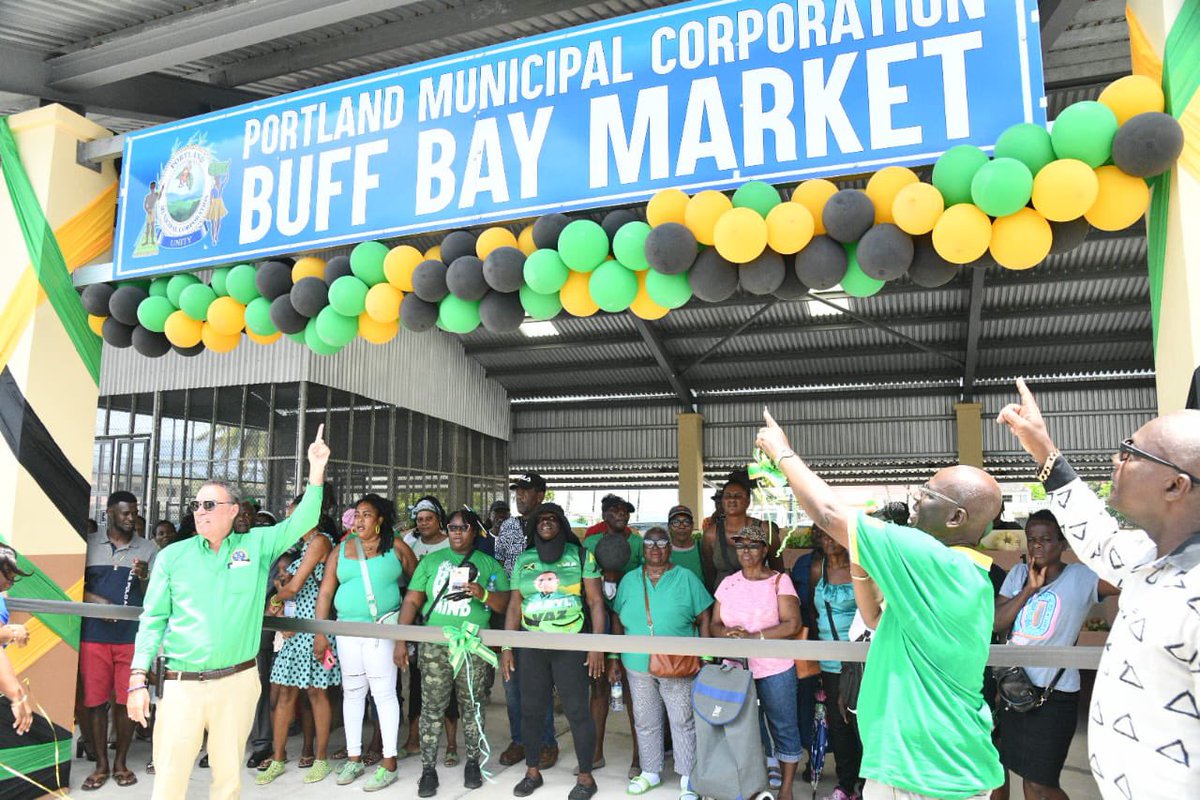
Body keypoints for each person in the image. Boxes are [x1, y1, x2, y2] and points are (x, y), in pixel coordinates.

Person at [757, 410, 1004, 800]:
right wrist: (862, 555)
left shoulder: (936, 562)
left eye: (928, 493)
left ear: (957, 517)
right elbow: (873, 616)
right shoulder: (961, 574)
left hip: (922, 774)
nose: (916, 500)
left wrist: (783, 453)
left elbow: (827, 513)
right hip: (920, 764)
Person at [997, 378, 1200, 800]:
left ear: (1175, 485)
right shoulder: (1147, 557)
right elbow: (1095, 532)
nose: (1115, 458)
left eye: (1131, 454)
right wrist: (1040, 446)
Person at [128, 425, 331, 800]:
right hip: (181, 684)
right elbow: (152, 619)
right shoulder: (174, 556)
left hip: (237, 682)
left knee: (227, 781)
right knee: (169, 778)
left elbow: (303, 522)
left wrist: (315, 470)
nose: (200, 512)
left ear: (233, 510)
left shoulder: (257, 544)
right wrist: (137, 679)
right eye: (196, 505)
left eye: (210, 505)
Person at [991, 510, 1118, 800]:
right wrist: (1029, 590)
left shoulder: (1081, 577)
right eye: (1031, 539)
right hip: (1015, 690)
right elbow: (997, 622)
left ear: (1062, 543)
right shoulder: (1018, 574)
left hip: (1055, 695)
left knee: (1042, 783)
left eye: (1046, 539)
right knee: (1025, 776)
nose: (1037, 545)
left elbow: (1128, 581)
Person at [395, 508, 510, 797]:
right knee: (431, 709)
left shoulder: (490, 564)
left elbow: (504, 605)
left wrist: (481, 593)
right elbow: (411, 601)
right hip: (435, 645)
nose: (457, 532)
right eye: (453, 527)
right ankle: (428, 770)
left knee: (473, 707)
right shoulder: (432, 561)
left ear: (474, 531)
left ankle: (473, 762)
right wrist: (400, 639)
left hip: (473, 645)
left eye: (463, 527)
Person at [500, 502, 606, 800]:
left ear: (561, 524)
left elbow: (596, 603)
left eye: (552, 519)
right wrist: (508, 646)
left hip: (571, 645)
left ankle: (585, 777)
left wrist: (597, 645)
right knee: (531, 711)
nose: (546, 523)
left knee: (577, 711)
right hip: (532, 646)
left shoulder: (580, 556)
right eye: (541, 519)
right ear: (533, 527)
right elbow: (514, 605)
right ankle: (532, 771)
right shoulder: (524, 560)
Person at [312, 493, 415, 791]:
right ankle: (354, 757)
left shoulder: (396, 547)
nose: (359, 520)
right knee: (353, 693)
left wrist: (406, 632)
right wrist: (321, 632)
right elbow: (326, 593)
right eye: (357, 514)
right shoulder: (341, 549)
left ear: (380, 519)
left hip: (382, 630)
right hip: (347, 631)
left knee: (383, 694)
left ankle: (389, 762)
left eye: (367, 514)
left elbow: (417, 586)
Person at [609, 526, 712, 799]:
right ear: (642, 550)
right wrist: (614, 657)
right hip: (636, 663)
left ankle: (688, 778)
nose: (655, 548)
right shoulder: (630, 580)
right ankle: (650, 771)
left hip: (677, 662)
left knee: (682, 720)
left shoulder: (686, 577)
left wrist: (706, 657)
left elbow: (704, 617)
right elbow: (617, 618)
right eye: (649, 543)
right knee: (645, 720)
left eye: (661, 542)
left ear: (669, 548)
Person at [710, 524, 804, 800]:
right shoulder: (728, 583)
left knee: (783, 725)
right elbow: (714, 623)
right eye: (740, 545)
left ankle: (785, 789)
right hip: (736, 669)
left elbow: (792, 624)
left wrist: (754, 636)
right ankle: (751, 784)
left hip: (775, 668)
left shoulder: (778, 581)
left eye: (752, 545)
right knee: (743, 729)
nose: (746, 551)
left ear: (764, 550)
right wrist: (727, 633)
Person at [255, 503, 340, 786]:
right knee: (285, 695)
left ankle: (320, 759)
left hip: (315, 628)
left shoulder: (319, 542)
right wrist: (280, 598)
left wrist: (278, 599)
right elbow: (285, 587)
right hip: (294, 630)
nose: (288, 522)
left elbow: (292, 587)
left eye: (293, 517)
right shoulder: (301, 548)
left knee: (316, 694)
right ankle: (278, 759)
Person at [81, 489, 158, 790]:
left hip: (131, 638)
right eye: (126, 513)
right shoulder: (89, 546)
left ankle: (120, 762)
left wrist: (144, 576)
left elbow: (156, 595)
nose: (132, 518)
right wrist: (97, 603)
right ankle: (101, 764)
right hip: (94, 636)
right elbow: (72, 587)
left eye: (135, 512)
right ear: (110, 513)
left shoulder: (149, 549)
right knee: (96, 701)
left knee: (128, 701)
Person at [494, 473, 559, 770]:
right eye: (517, 491)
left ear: (541, 495)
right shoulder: (507, 526)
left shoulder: (552, 525)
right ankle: (519, 739)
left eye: (526, 491)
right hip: (509, 614)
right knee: (512, 683)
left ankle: (546, 742)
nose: (520, 497)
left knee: (539, 684)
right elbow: (499, 568)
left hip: (543, 616)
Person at [581, 493, 643, 775]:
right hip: (599, 620)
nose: (622, 515)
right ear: (605, 515)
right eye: (616, 511)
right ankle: (595, 753)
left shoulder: (638, 542)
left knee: (634, 690)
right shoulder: (591, 544)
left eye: (625, 511)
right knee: (599, 686)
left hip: (630, 621)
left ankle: (639, 756)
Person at [400, 495, 458, 764]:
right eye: (419, 519)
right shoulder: (409, 541)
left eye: (429, 518)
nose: (423, 523)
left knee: (451, 683)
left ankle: (452, 743)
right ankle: (413, 738)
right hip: (417, 620)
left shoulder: (451, 543)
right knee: (417, 679)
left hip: (446, 619)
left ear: (439, 519)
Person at [810, 530, 863, 800]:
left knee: (860, 722)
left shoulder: (860, 568)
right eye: (824, 537)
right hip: (829, 660)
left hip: (859, 660)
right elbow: (812, 609)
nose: (829, 542)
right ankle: (845, 783)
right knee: (839, 724)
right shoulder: (816, 569)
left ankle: (865, 784)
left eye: (834, 536)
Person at [702, 471, 784, 590]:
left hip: (758, 598)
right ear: (722, 501)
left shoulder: (764, 529)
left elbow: (777, 570)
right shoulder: (711, 534)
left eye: (738, 496)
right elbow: (709, 574)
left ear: (748, 501)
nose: (732, 500)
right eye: (727, 496)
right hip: (723, 600)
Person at [666, 505, 703, 584]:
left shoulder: (702, 548)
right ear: (669, 526)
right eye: (676, 522)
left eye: (686, 522)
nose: (682, 526)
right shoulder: (662, 552)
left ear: (692, 525)